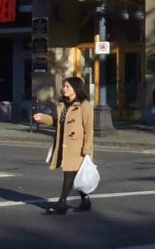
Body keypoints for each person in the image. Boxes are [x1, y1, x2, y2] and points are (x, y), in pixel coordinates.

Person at [45, 76, 94, 215]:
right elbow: (59, 123)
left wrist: (87, 149)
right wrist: (43, 118)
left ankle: (62, 203)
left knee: (69, 175)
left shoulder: (85, 106)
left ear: (76, 89)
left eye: (67, 86)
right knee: (77, 175)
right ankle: (85, 201)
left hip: (78, 148)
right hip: (65, 145)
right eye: (64, 86)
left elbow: (89, 129)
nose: (63, 89)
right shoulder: (64, 105)